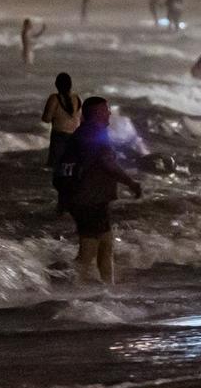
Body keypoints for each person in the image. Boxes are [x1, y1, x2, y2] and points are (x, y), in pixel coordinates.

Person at [54, 97, 144, 285]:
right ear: (97, 114)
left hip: (86, 199)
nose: (109, 113)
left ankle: (107, 289)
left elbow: (64, 168)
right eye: (106, 110)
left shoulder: (80, 135)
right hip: (89, 200)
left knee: (106, 244)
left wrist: (63, 199)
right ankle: (68, 286)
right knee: (88, 251)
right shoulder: (95, 134)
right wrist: (131, 183)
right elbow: (107, 164)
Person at [41, 72, 82, 173]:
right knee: (71, 168)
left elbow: (46, 119)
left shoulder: (54, 98)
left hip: (59, 137)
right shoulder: (77, 98)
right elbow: (81, 118)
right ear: (70, 85)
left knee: (56, 168)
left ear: (56, 84)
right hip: (75, 137)